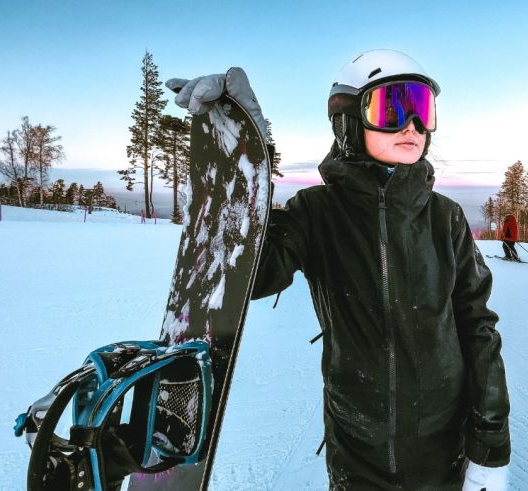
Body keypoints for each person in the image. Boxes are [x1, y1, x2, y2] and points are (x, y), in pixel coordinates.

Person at [169, 49, 510, 490]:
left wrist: (489, 446)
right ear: (349, 120)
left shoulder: (445, 218)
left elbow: (478, 326)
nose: (412, 124)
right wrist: (243, 157)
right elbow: (252, 273)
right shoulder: (317, 212)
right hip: (358, 453)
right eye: (391, 107)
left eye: (423, 109)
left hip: (443, 450)